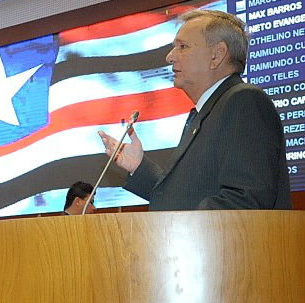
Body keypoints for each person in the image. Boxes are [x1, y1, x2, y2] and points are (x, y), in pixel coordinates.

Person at [98, 10, 291, 211]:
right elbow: (183, 197)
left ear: (217, 55)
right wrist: (139, 167)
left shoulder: (244, 101)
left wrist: (181, 228)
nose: (169, 57)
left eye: (183, 47)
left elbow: (245, 200)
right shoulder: (206, 113)